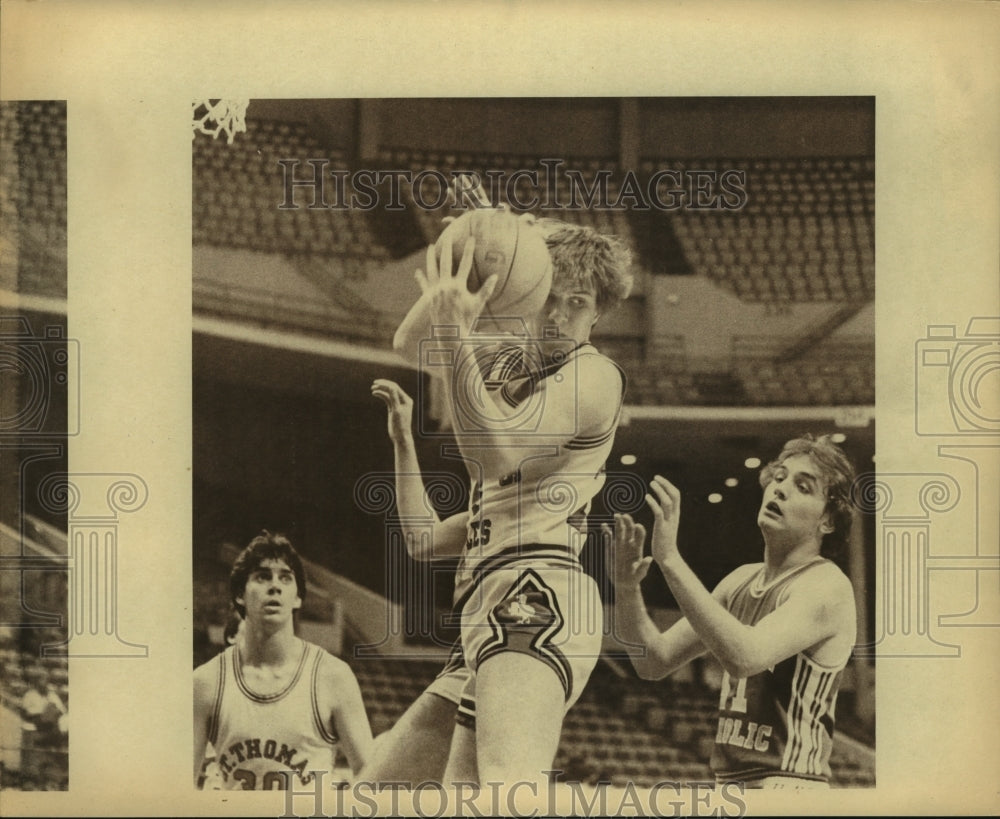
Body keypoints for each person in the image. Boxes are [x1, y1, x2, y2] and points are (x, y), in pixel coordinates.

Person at [369, 217, 634, 789]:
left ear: (598, 313)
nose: (558, 315)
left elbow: (497, 451)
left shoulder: (595, 377)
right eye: (548, 297)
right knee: (374, 794)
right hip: (484, 608)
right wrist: (463, 261)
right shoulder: (509, 358)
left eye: (578, 303)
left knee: (508, 791)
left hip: (538, 597)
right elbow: (410, 343)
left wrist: (458, 331)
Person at [612, 434, 858, 789]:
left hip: (790, 786)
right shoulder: (740, 581)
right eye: (779, 477)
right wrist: (625, 588)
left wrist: (670, 560)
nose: (781, 489)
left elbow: (745, 656)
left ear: (828, 522)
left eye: (803, 487)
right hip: (731, 785)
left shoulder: (826, 587)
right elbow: (653, 661)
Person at [193, 531, 373, 789]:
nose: (275, 585)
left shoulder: (333, 676)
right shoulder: (206, 682)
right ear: (240, 595)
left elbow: (372, 778)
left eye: (285, 578)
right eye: (262, 576)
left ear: (298, 597)